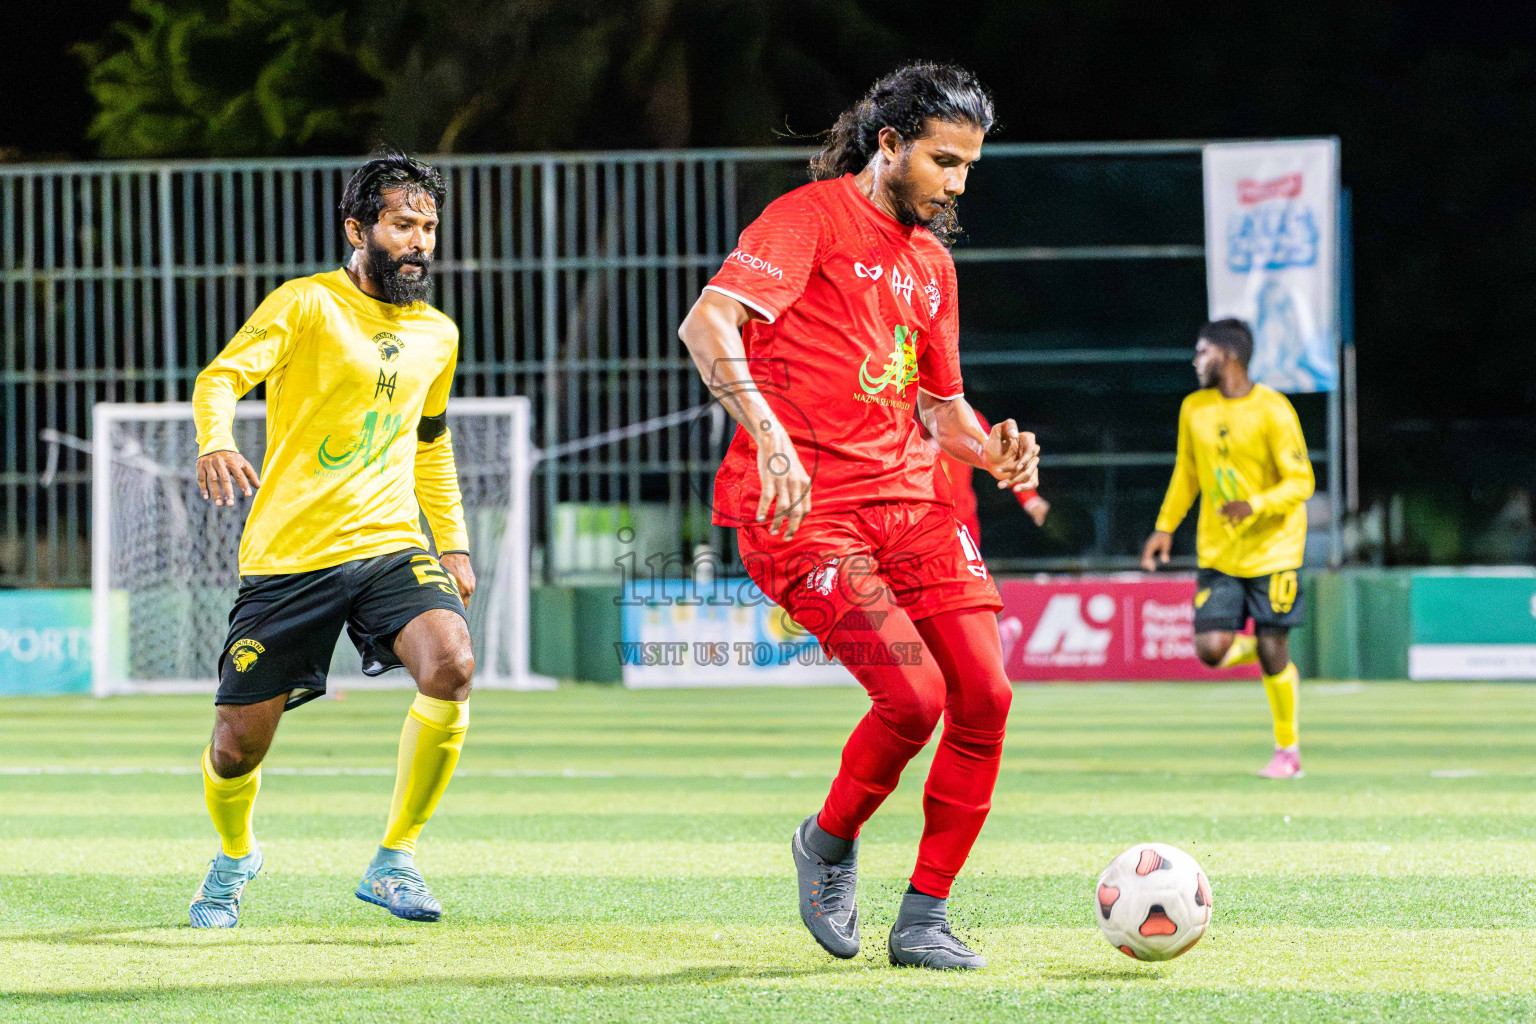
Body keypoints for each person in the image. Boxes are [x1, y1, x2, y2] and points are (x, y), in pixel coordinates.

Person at [678, 62, 1039, 970]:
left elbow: (938, 409)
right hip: (803, 513)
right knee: (911, 696)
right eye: (943, 162)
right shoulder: (808, 221)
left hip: (908, 504)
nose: (957, 184)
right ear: (889, 145)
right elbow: (706, 325)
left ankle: (924, 916)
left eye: (968, 167)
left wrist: (995, 448)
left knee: (985, 695)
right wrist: (768, 434)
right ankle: (828, 842)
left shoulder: (933, 265)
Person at [186, 152, 477, 927]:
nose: (419, 241)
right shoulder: (305, 305)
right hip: (289, 559)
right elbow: (219, 377)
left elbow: (432, 440)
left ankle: (396, 858)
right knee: (234, 749)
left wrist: (452, 543)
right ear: (358, 229)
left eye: (429, 228)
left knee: (451, 662)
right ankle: (234, 853)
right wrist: (216, 440)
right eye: (403, 225)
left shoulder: (437, 334)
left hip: (386, 543)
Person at [1140, 318, 1314, 779]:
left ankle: (1287, 752)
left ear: (1229, 357)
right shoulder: (1193, 408)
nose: (1196, 361)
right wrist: (1164, 527)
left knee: (1274, 645)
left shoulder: (1273, 410)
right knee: (1210, 648)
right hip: (1219, 552)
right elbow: (1187, 473)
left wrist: (1255, 504)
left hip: (1274, 550)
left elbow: (1301, 480)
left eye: (1203, 353)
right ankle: (1262, 650)